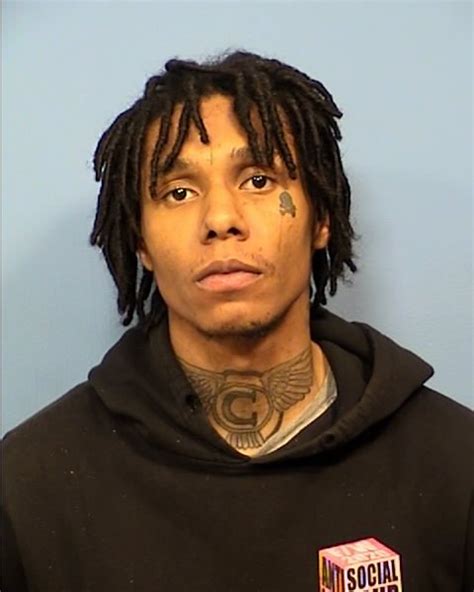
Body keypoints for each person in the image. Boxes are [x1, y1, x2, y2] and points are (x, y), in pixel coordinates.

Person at [1, 51, 472, 592]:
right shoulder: (29, 485)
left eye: (258, 180)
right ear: (141, 243)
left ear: (321, 217)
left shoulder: (454, 464)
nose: (221, 219)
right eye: (179, 192)